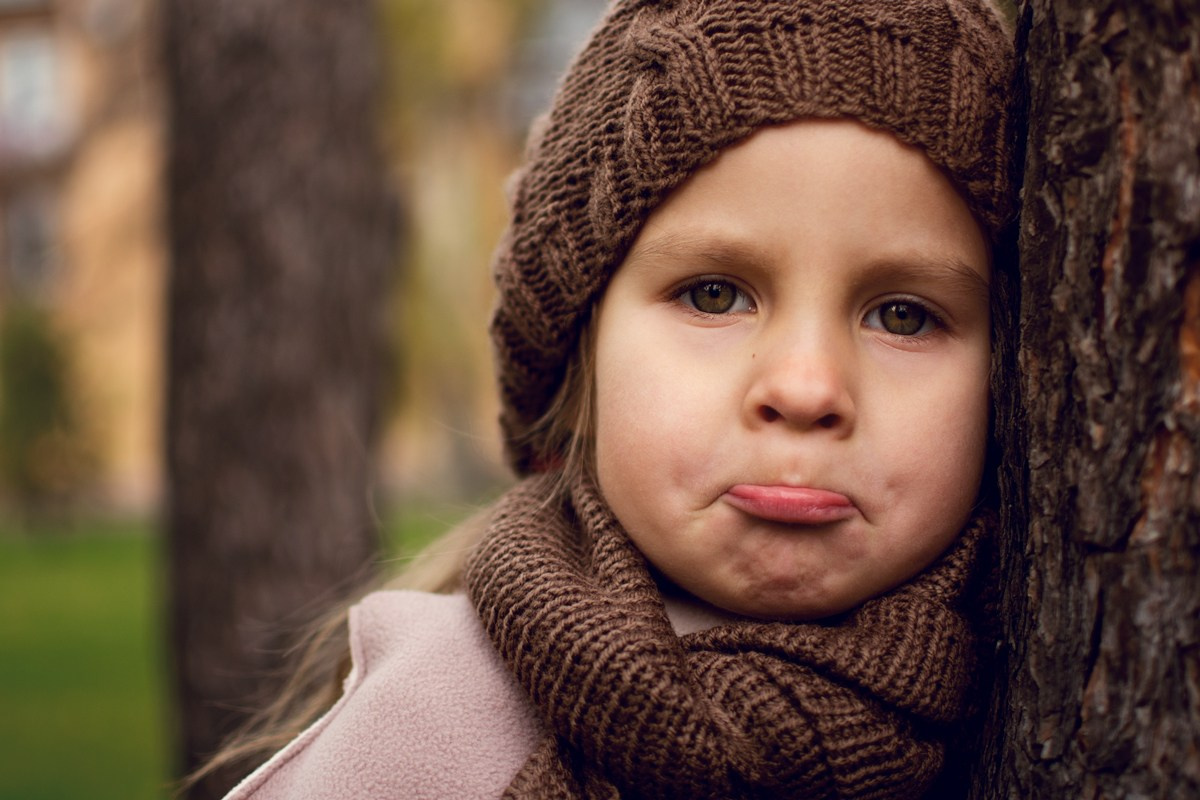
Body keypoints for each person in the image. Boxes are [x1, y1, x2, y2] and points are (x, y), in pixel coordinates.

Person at [217, 0, 1017, 797]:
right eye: (713, 295)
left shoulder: (1027, 693)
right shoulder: (434, 726)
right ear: (578, 361)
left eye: (903, 315)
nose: (806, 388)